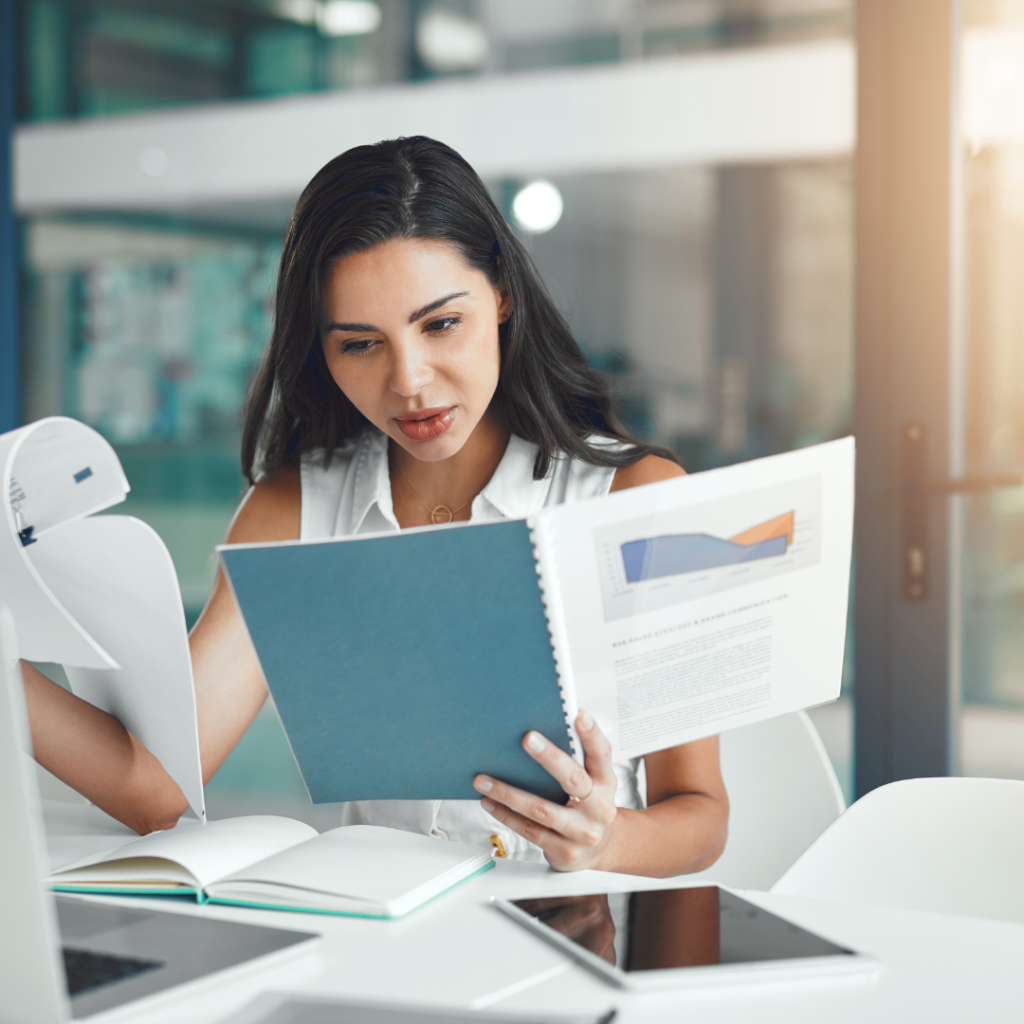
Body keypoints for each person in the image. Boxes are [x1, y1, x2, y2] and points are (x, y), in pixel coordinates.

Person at [22, 137, 728, 877]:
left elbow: (702, 815)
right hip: (384, 940)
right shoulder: (295, 509)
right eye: (361, 344)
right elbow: (157, 786)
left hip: (581, 937)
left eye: (441, 324)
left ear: (501, 295)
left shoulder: (635, 497)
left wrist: (605, 839)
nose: (410, 382)